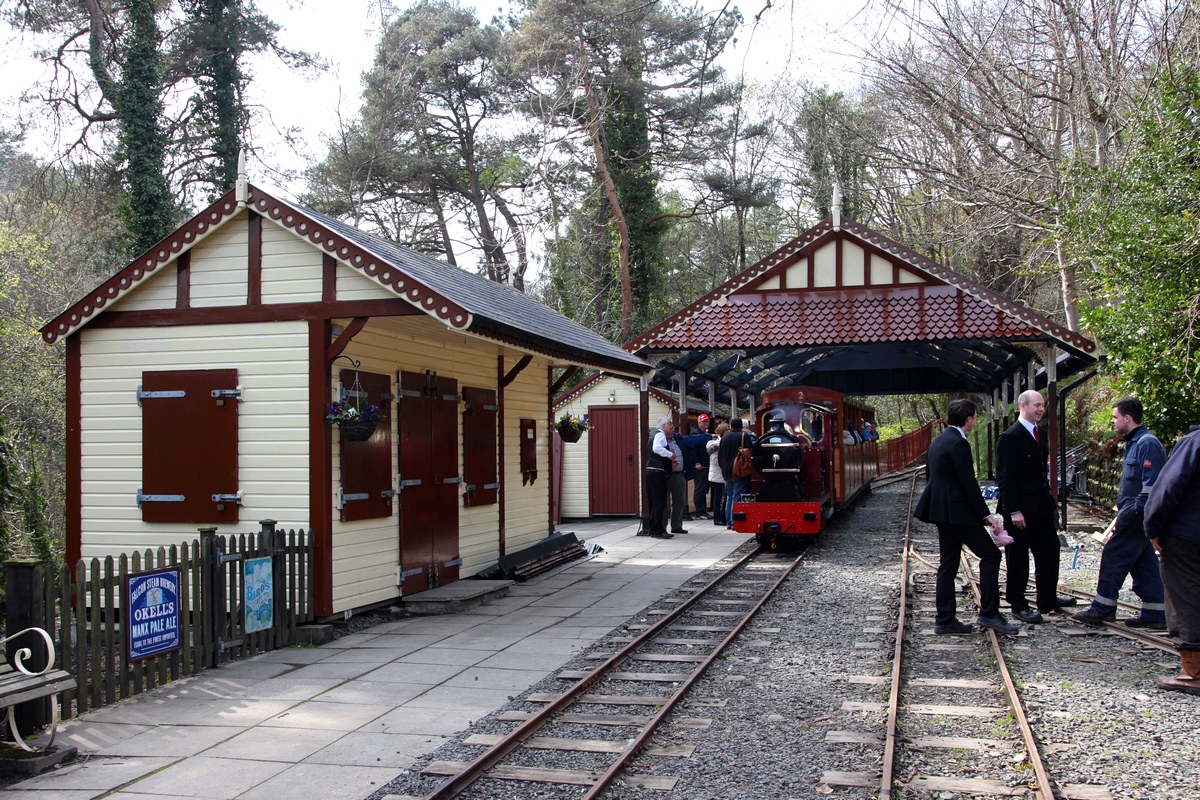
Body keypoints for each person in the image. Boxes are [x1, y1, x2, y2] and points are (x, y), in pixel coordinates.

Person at [914, 398, 1018, 635]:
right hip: (958, 512)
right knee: (991, 555)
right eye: (975, 417)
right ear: (969, 419)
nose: (975, 421)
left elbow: (931, 478)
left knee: (948, 564)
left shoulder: (938, 441)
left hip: (941, 512)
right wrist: (986, 515)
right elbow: (968, 482)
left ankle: (945, 619)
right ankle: (989, 613)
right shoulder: (959, 444)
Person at [1074, 398, 1167, 628]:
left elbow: (1152, 484)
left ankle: (1102, 608)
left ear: (1128, 418)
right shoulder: (1135, 443)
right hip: (1133, 513)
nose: (1112, 421)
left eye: (1115, 417)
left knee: (1113, 556)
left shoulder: (1147, 444)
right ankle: (1156, 612)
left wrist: (1135, 510)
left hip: (1137, 515)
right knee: (1143, 562)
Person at [995, 390, 1076, 624]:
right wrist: (1013, 510)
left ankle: (1047, 599)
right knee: (1018, 558)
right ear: (1023, 406)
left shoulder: (1040, 433)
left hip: (1041, 506)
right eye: (1036, 405)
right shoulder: (1010, 437)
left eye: (1042, 405)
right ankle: (1018, 604)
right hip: (1020, 509)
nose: (1041, 409)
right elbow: (1005, 476)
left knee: (1049, 551)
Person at [1144, 424, 1200, 694]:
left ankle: (1194, 672)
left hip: (1189, 537)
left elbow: (1167, 488)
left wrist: (1153, 528)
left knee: (1185, 598)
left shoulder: (1194, 443)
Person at [643, 417, 676, 539]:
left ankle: (654, 528)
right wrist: (670, 455)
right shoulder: (660, 435)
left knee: (654, 502)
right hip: (657, 473)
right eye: (669, 425)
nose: (671, 427)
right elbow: (656, 448)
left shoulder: (654, 435)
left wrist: (668, 461)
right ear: (663, 426)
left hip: (652, 472)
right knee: (659, 502)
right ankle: (658, 530)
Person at [719, 417, 755, 529]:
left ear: (731, 426)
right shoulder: (744, 436)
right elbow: (750, 453)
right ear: (741, 426)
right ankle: (734, 522)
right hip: (740, 470)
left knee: (729, 497)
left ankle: (728, 522)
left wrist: (723, 469)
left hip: (726, 471)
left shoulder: (724, 437)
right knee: (737, 496)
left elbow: (720, 455)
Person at [662, 426, 691, 534]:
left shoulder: (677, 439)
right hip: (666, 475)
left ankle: (677, 526)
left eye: (674, 428)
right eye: (671, 429)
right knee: (664, 502)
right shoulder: (661, 440)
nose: (673, 430)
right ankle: (662, 527)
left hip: (679, 474)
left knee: (679, 501)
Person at [687, 414, 713, 518]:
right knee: (700, 488)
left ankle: (702, 510)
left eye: (707, 421)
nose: (706, 423)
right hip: (700, 466)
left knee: (704, 488)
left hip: (706, 465)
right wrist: (696, 463)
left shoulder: (707, 434)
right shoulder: (695, 434)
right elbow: (692, 450)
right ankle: (699, 512)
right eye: (703, 421)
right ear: (699, 423)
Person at [707, 422, 730, 525]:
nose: (729, 431)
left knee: (725, 496)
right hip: (718, 473)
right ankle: (717, 518)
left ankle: (722, 516)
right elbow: (715, 460)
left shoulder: (722, 442)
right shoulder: (715, 444)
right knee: (718, 497)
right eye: (727, 430)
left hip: (722, 473)